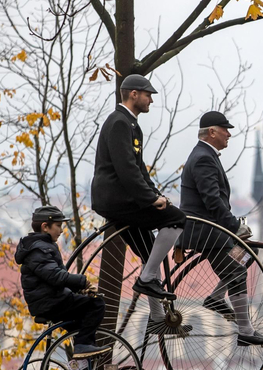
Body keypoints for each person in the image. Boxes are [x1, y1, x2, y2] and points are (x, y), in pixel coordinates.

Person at [91, 74, 190, 334]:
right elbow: (126, 171)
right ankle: (146, 279)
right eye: (148, 95)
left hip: (122, 198)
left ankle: (158, 319)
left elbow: (139, 170)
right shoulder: (119, 123)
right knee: (177, 219)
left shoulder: (132, 125)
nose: (151, 100)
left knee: (150, 257)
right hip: (117, 199)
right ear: (133, 94)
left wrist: (156, 195)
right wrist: (149, 200)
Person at [179, 111, 263, 346]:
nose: (229, 134)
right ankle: (245, 330)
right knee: (236, 272)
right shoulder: (203, 158)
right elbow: (212, 200)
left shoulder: (206, 155)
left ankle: (216, 297)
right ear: (212, 132)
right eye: (225, 129)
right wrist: (235, 226)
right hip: (205, 232)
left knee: (248, 254)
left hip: (211, 230)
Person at [15, 205, 110, 358]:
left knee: (82, 325)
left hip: (50, 299)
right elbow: (56, 276)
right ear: (45, 227)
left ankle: (84, 356)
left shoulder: (41, 246)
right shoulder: (40, 249)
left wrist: (79, 291)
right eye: (58, 226)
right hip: (50, 302)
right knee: (96, 304)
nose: (61, 230)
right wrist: (83, 282)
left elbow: (56, 281)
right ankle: (82, 347)